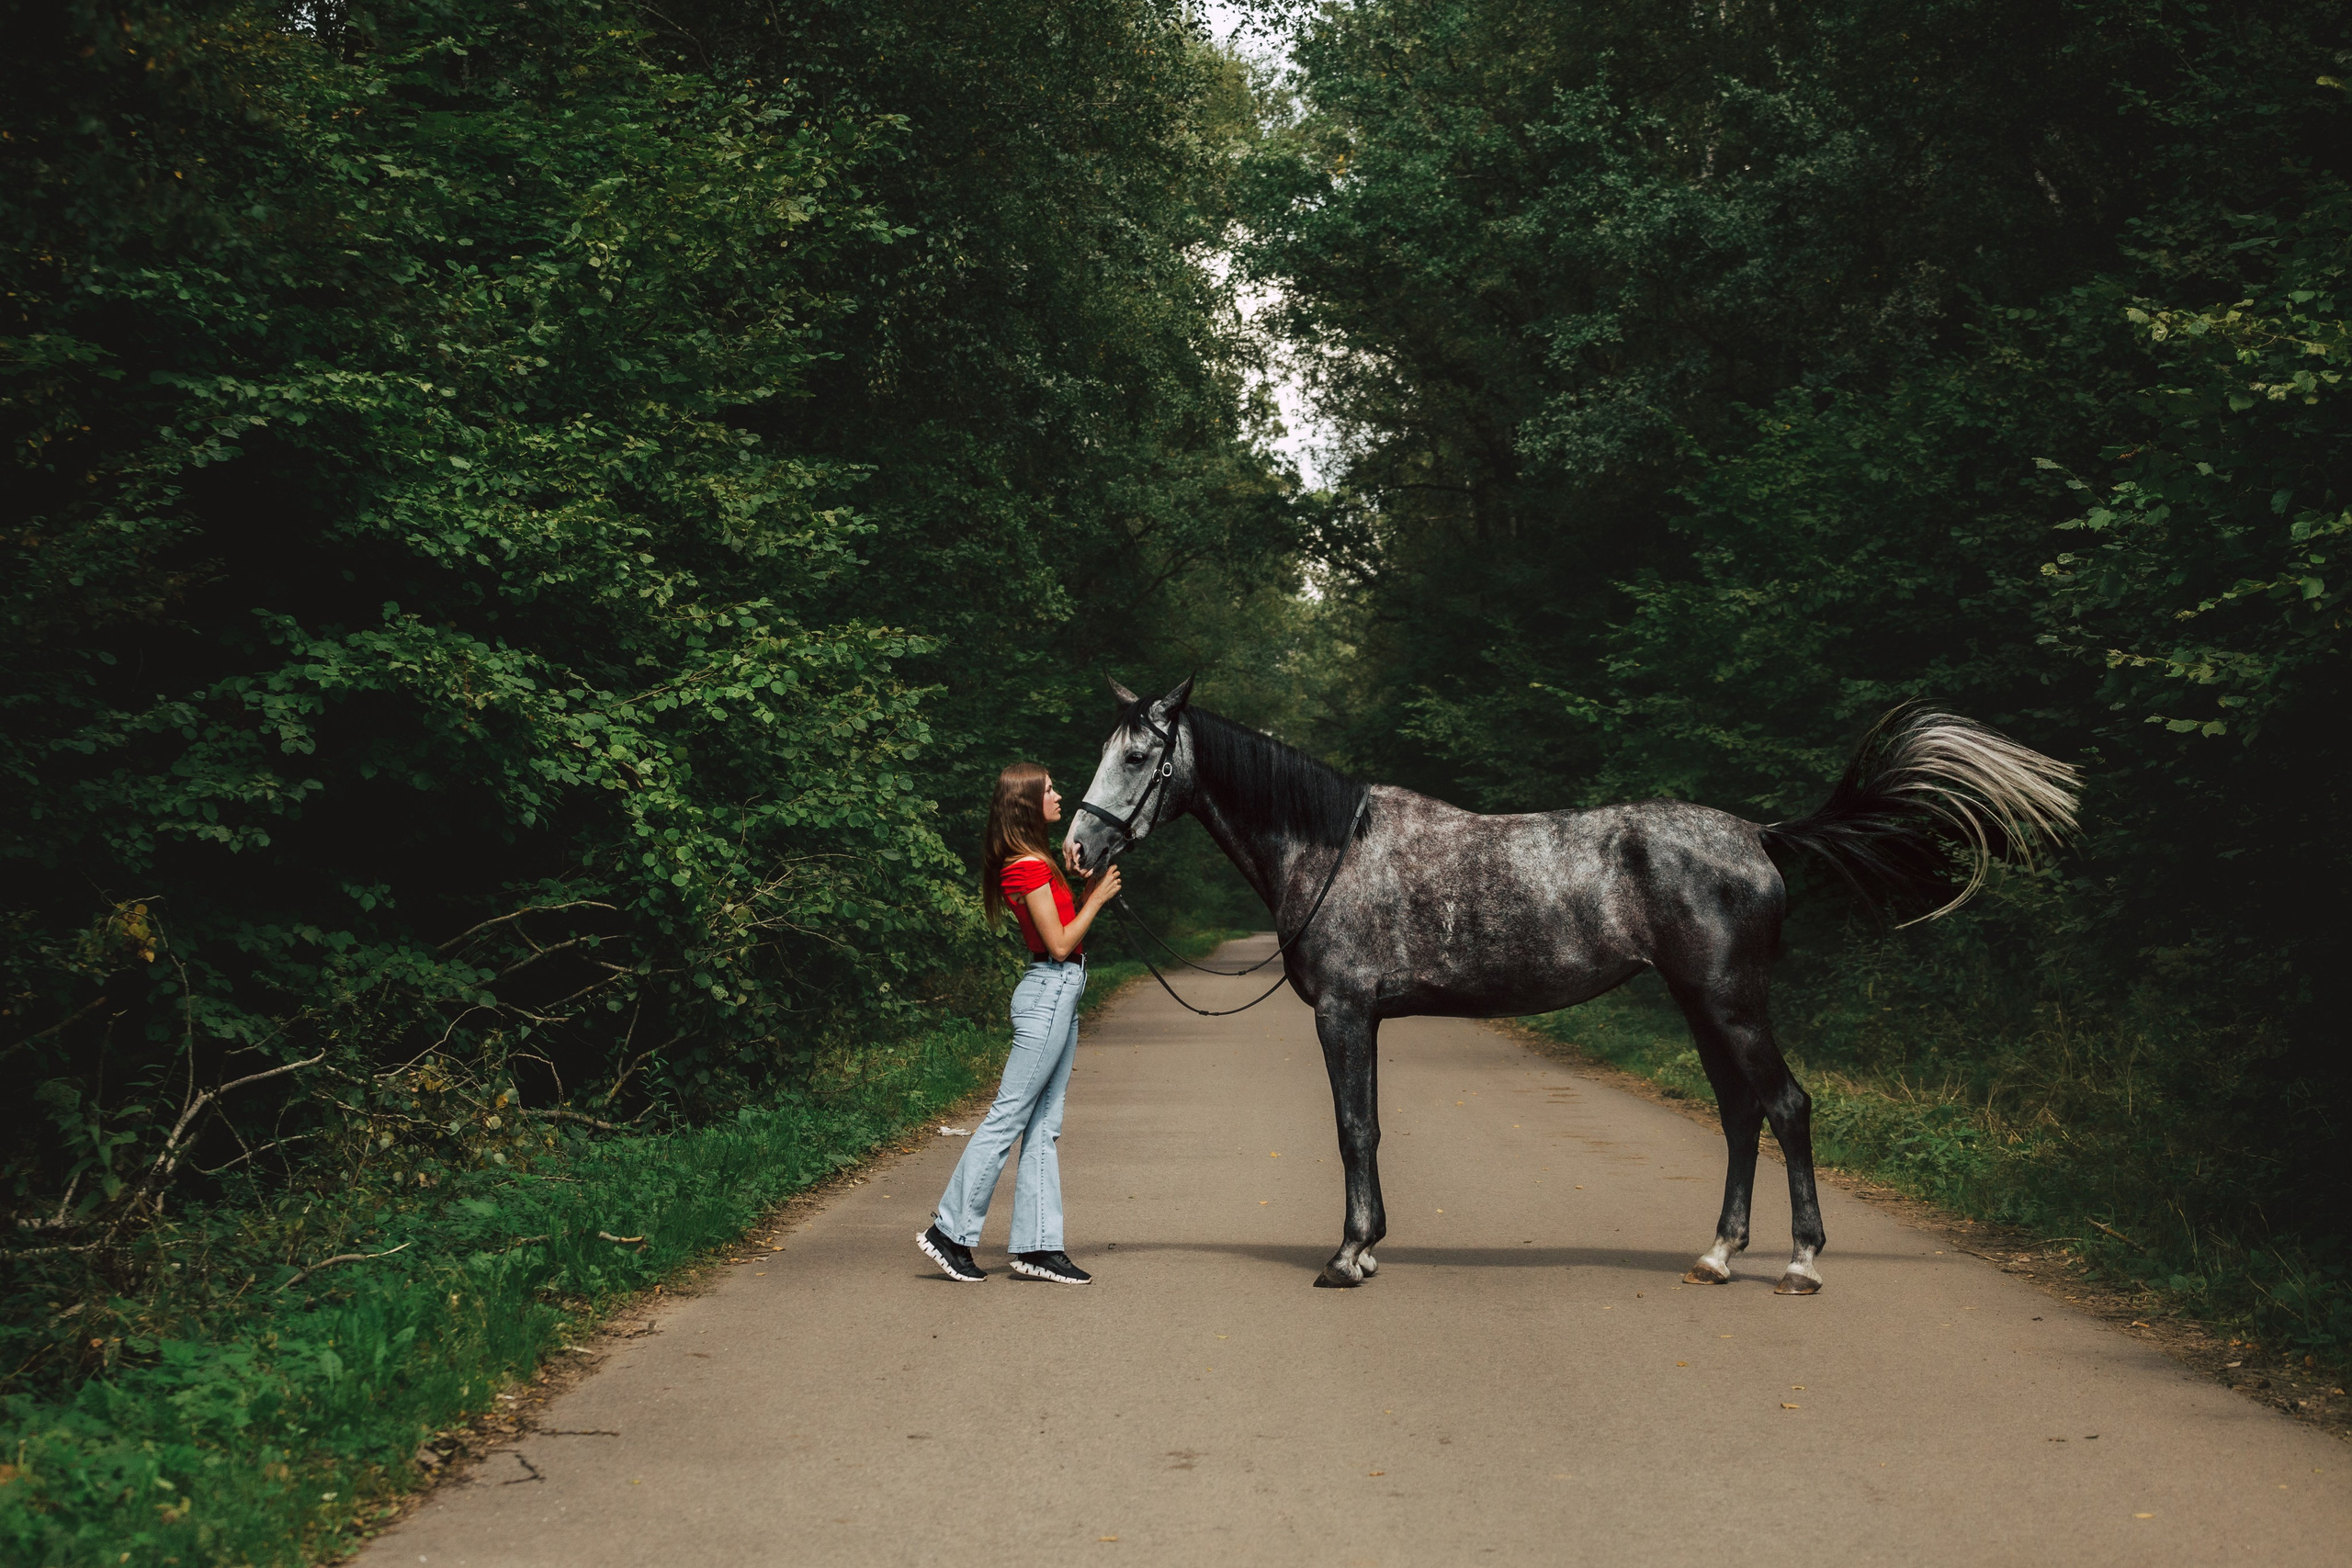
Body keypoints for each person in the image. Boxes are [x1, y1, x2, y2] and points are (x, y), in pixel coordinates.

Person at [918, 762, 1122, 1284]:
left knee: (1043, 1125)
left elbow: (1054, 922)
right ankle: (950, 1230)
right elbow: (1057, 943)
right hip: (1050, 990)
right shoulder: (1027, 865)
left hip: (1061, 991)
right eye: (1049, 789)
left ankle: (1036, 1247)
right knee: (1008, 1117)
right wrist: (1097, 898)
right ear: (1027, 802)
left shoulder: (1036, 861)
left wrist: (1078, 880)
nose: (1059, 795)